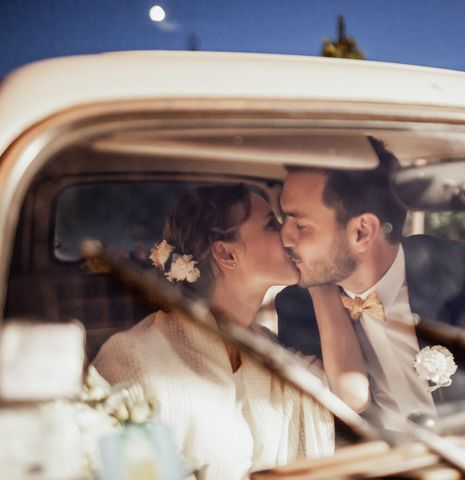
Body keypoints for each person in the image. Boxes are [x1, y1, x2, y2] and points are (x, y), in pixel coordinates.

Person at [93, 184, 368, 480]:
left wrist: (320, 281)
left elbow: (348, 395)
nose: (289, 235)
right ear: (226, 254)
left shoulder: (267, 351)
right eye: (272, 224)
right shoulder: (135, 358)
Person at [276, 137, 465, 427]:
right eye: (284, 220)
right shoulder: (296, 308)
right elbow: (322, 425)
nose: (285, 238)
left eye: (301, 225)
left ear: (362, 232)